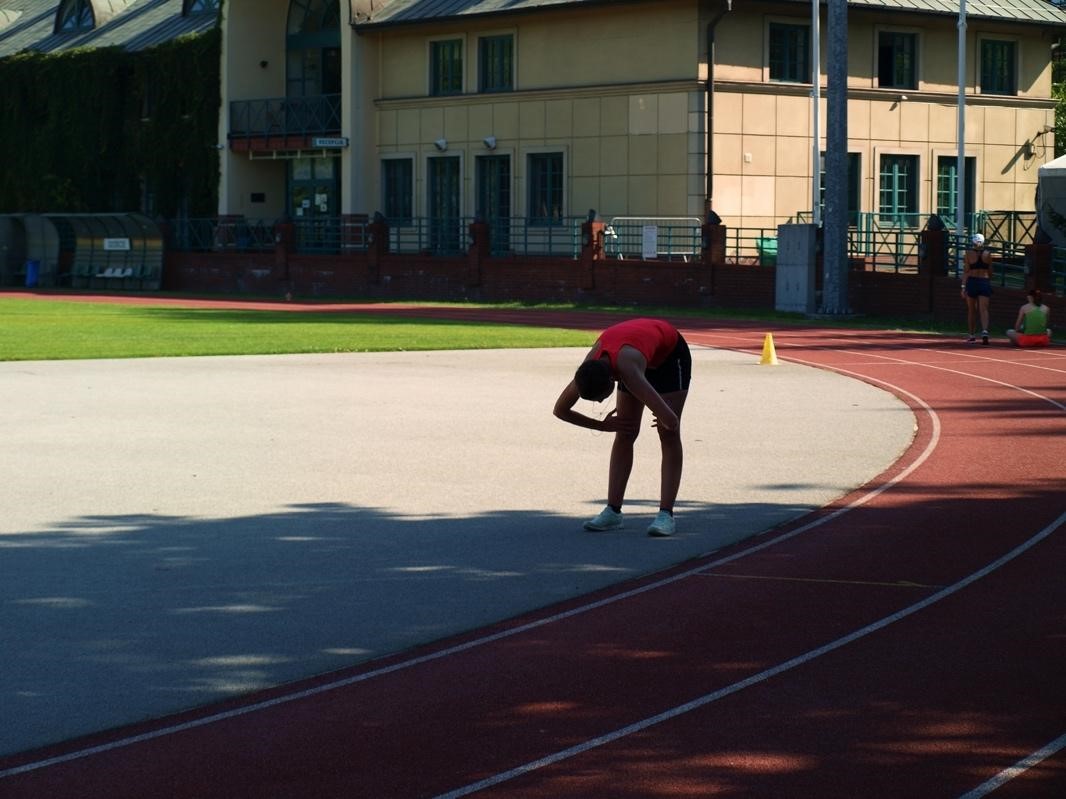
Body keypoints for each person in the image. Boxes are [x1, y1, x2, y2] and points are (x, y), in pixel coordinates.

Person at [553, 318, 691, 537]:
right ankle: (613, 511)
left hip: (669, 357)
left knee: (668, 434)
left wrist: (664, 416)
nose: (599, 403)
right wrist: (602, 425)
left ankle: (666, 514)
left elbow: (671, 421)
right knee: (625, 432)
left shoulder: (627, 371)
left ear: (612, 380)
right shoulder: (589, 368)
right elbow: (560, 411)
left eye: (600, 398)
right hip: (635, 350)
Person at [961, 233, 993, 344]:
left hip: (972, 281)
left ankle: (971, 335)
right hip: (984, 281)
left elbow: (966, 272)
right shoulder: (988, 254)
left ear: (973, 241)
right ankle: (984, 331)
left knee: (971, 310)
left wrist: (963, 287)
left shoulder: (968, 254)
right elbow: (990, 272)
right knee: (983, 309)